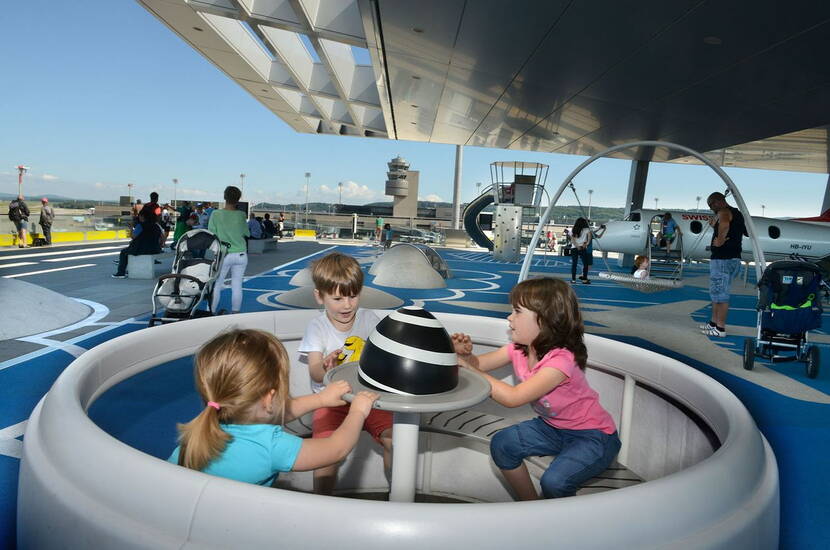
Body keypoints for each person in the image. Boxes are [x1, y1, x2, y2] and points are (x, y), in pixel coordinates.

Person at [451, 277, 620, 500]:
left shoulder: (560, 361)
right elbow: (478, 366)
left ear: (545, 320)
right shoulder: (518, 349)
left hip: (593, 436)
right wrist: (465, 356)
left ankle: (558, 526)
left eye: (517, 312)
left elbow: (513, 398)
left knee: (555, 482)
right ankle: (529, 506)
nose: (509, 318)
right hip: (551, 428)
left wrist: (470, 368)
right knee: (503, 444)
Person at [169, 328, 380, 486]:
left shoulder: (198, 433)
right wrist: (358, 411)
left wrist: (321, 399)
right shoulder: (271, 446)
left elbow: (275, 411)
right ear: (270, 399)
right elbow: (336, 449)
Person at [297, 252, 394, 494]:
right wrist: (327, 367)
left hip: (368, 398)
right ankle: (322, 503)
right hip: (331, 401)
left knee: (396, 441)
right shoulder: (317, 327)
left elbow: (383, 361)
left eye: (353, 296)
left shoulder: (369, 319)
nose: (347, 305)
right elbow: (316, 374)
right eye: (338, 298)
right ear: (319, 297)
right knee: (324, 455)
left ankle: (397, 496)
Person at [700, 192, 746, 338]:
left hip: (723, 259)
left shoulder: (724, 211)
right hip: (730, 258)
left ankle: (720, 328)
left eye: (711, 205)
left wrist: (719, 240)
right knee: (716, 293)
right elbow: (739, 231)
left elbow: (725, 224)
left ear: (718, 202)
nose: (711, 208)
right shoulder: (736, 213)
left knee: (720, 294)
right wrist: (716, 227)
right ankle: (713, 323)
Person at [209, 186, 249, 314]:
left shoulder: (216, 214)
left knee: (217, 285)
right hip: (241, 254)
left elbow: (211, 233)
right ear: (238, 199)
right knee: (237, 285)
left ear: (224, 197)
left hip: (223, 254)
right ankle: (235, 312)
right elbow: (246, 233)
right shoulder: (241, 215)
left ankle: (211, 311)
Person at [112, 211, 164, 278]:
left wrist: (131, 228)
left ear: (142, 217)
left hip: (142, 249)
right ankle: (130, 270)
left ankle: (121, 273)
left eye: (139, 216)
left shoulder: (141, 225)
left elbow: (133, 236)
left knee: (124, 252)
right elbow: (162, 238)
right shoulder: (156, 225)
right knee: (129, 249)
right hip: (155, 249)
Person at [570, 217, 593, 284]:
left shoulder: (574, 229)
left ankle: (573, 280)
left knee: (574, 264)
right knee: (585, 264)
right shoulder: (587, 229)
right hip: (582, 248)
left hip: (574, 248)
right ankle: (584, 280)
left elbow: (572, 240)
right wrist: (586, 244)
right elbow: (589, 238)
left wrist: (577, 246)